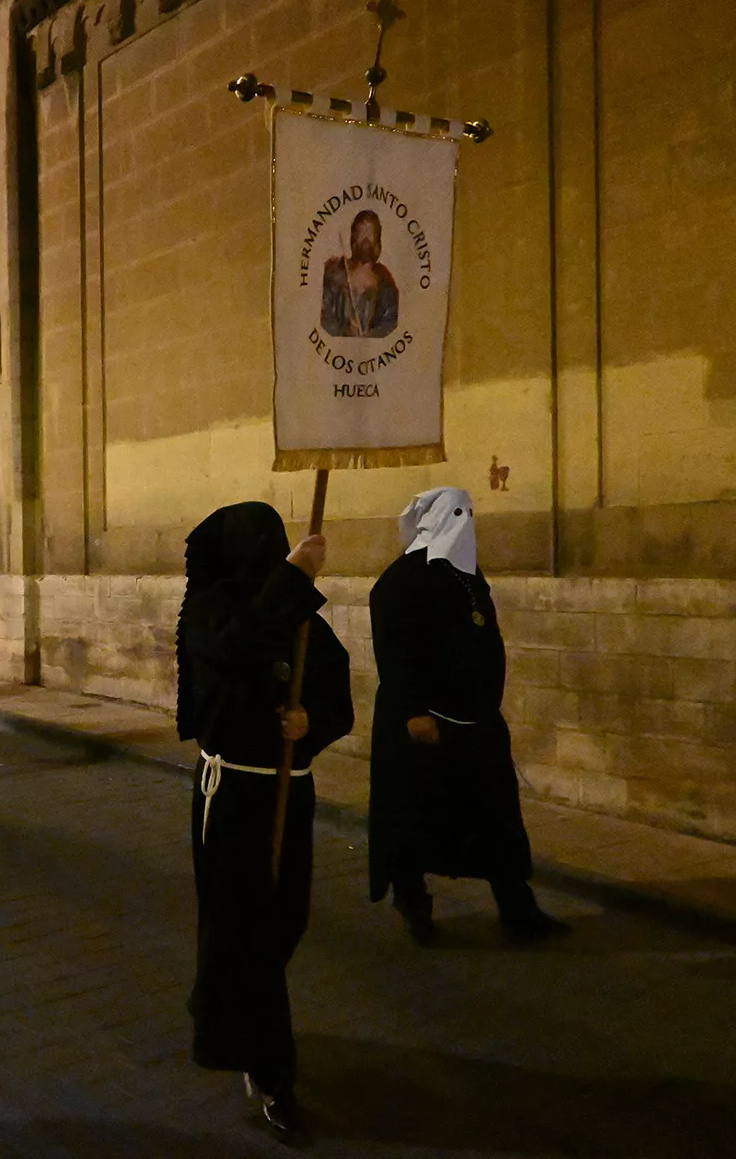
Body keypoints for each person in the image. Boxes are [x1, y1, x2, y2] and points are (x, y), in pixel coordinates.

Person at [176, 501, 353, 1139]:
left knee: (284, 922)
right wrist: (295, 579)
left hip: (289, 791)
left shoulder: (301, 618)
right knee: (245, 932)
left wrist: (313, 725)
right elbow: (233, 646)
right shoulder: (212, 610)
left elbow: (339, 698)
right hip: (231, 796)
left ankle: (223, 1003)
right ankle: (272, 1072)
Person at [368, 487, 569, 945]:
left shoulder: (468, 576)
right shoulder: (400, 580)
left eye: (470, 513)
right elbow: (395, 655)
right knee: (416, 820)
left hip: (476, 722)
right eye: (457, 513)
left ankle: (518, 910)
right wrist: (415, 712)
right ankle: (414, 906)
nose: (467, 521)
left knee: (496, 817)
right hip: (424, 726)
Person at [320, 209, 400, 338]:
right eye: (362, 232)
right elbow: (324, 317)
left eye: (371, 233)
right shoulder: (335, 273)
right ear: (353, 238)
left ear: (377, 241)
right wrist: (344, 332)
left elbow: (390, 322)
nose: (366, 238)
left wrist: (368, 337)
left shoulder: (385, 281)